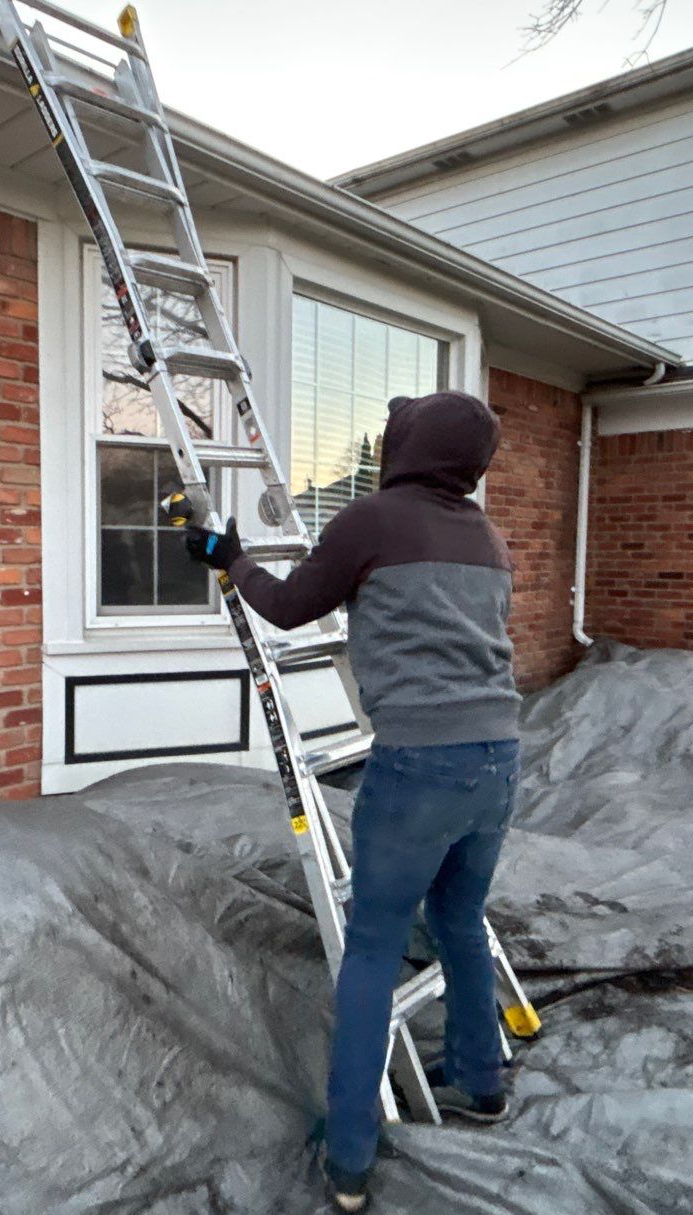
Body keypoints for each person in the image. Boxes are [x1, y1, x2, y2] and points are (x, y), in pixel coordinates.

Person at [181, 389, 521, 1213]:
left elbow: (293, 607)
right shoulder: (489, 537)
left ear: (408, 446)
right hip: (500, 757)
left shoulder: (371, 520)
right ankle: (485, 1084)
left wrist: (229, 555)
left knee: (369, 949)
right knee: (460, 920)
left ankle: (349, 1160)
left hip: (419, 765)